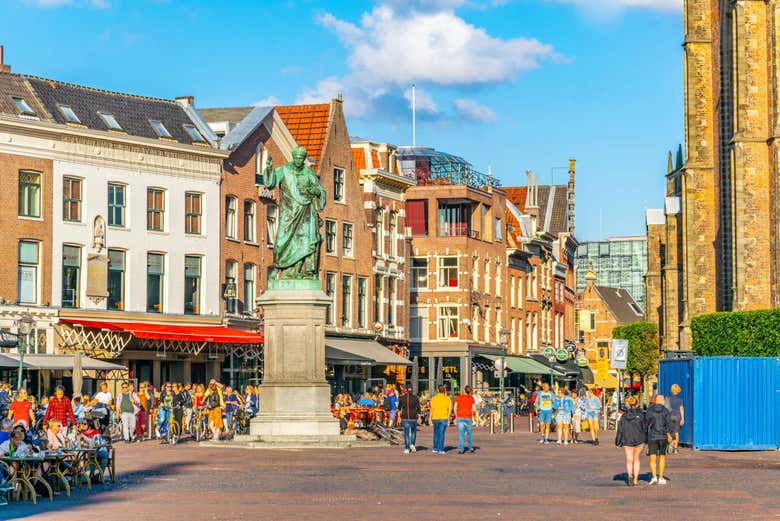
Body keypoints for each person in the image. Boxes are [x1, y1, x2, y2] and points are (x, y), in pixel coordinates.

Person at [615, 395, 646, 486]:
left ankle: (630, 475)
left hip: (627, 439)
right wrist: (646, 439)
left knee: (629, 459)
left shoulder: (624, 416)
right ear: (637, 404)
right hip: (639, 439)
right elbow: (644, 428)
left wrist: (618, 441)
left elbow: (620, 429)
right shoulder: (641, 415)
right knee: (636, 459)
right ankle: (636, 479)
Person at [646, 394, 673, 485]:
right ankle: (661, 478)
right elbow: (669, 424)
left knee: (652, 457)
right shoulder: (666, 411)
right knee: (662, 457)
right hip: (663, 436)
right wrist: (670, 435)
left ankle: (654, 477)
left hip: (652, 436)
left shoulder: (649, 410)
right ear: (661, 401)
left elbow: (646, 423)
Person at [429, 385, 452, 454]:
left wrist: (430, 418)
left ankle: (435, 448)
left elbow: (431, 409)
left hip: (435, 418)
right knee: (441, 433)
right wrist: (448, 418)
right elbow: (450, 409)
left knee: (436, 433)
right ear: (444, 391)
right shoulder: (447, 398)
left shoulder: (434, 398)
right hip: (444, 418)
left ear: (438, 390)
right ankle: (441, 449)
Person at [398, 386, 420, 454]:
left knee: (406, 434)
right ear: (412, 390)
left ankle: (407, 448)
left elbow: (399, 408)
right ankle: (412, 444)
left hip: (405, 417)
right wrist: (419, 417)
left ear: (406, 390)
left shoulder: (402, 398)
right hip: (413, 417)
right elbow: (418, 408)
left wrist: (399, 417)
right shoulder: (415, 398)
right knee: (413, 432)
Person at [454, 386, 476, 454]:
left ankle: (461, 449)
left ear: (464, 390)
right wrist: (472, 414)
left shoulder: (459, 397)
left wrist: (456, 416)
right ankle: (470, 447)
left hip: (460, 417)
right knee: (469, 434)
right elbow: (474, 409)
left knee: (461, 434)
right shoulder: (471, 398)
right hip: (468, 417)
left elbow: (455, 407)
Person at [667, 384, 684, 454]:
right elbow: (681, 409)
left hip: (670, 416)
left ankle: (670, 443)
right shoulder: (680, 399)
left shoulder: (668, 398)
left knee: (670, 432)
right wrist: (683, 418)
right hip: (677, 416)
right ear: (678, 390)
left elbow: (666, 408)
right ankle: (675, 448)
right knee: (676, 432)